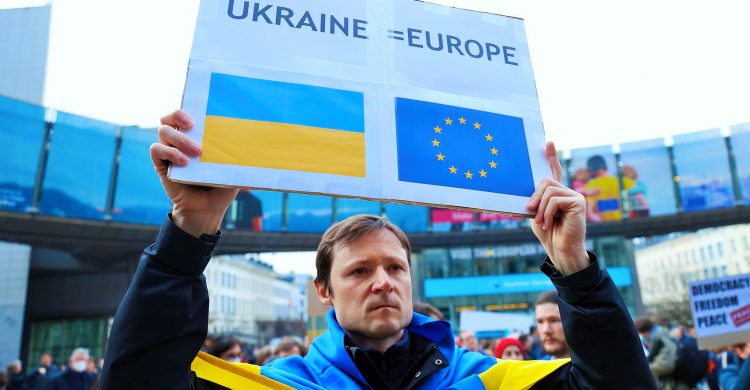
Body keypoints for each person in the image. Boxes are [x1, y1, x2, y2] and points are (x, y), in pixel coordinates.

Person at [99, 109, 654, 389]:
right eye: (360, 270)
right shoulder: (277, 384)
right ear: (323, 291)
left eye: (394, 266)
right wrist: (189, 229)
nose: (383, 281)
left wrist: (575, 271)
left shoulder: (490, 379)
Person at [583, 155, 634, 221]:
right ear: (605, 167)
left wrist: (602, 224)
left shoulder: (588, 187)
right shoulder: (624, 181)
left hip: (605, 228)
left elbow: (589, 214)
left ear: (590, 170)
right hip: (626, 224)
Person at [535, 290, 570, 359]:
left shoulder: (593, 366)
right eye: (540, 322)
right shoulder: (539, 368)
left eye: (554, 320)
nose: (546, 330)